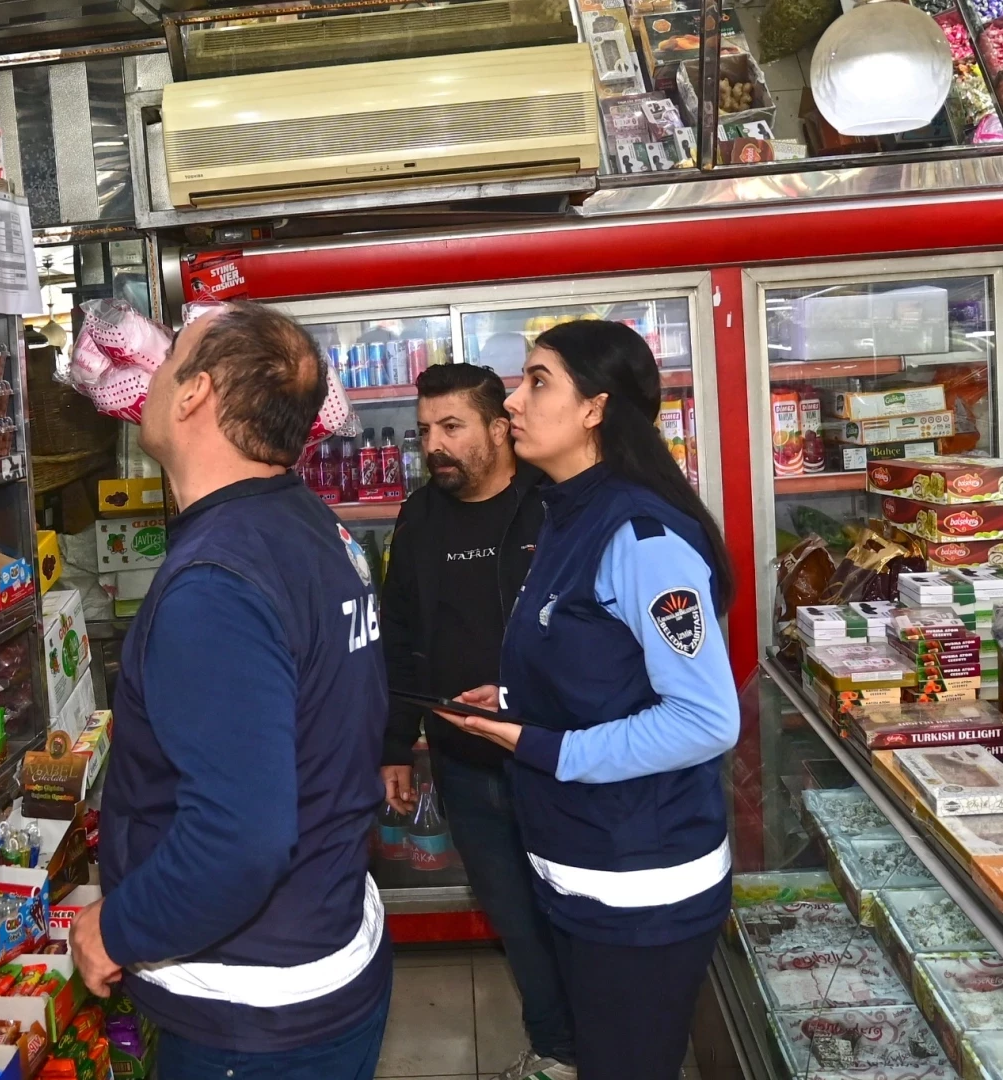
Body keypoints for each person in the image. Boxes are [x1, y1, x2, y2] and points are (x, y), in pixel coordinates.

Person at [68, 302, 394, 1080]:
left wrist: (118, 928)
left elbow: (241, 839)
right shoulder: (314, 526)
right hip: (326, 940)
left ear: (192, 395)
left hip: (251, 1009)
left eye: (170, 355)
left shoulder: (217, 583)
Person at [437, 319, 739, 1080]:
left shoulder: (641, 537)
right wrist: (511, 697)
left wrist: (541, 744)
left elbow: (705, 719)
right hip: (578, 864)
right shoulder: (564, 514)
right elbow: (599, 663)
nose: (513, 399)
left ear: (595, 408)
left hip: (639, 882)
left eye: (538, 381)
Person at [380, 362, 576, 1080]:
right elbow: (397, 630)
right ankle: (558, 1053)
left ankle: (607, 1047)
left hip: (555, 757)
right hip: (465, 765)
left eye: (451, 427)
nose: (434, 444)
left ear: (499, 428)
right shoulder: (419, 515)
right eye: (425, 429)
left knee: (575, 918)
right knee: (517, 926)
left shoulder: (554, 504)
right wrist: (395, 743)